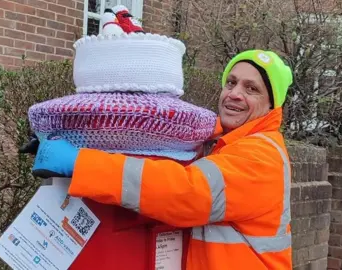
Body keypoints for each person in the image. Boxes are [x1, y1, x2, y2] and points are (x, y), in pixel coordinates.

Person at [28, 49, 294, 269]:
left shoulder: (262, 156)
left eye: (252, 88)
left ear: (272, 105)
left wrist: (81, 163)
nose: (235, 93)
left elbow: (186, 191)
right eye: (231, 82)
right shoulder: (228, 143)